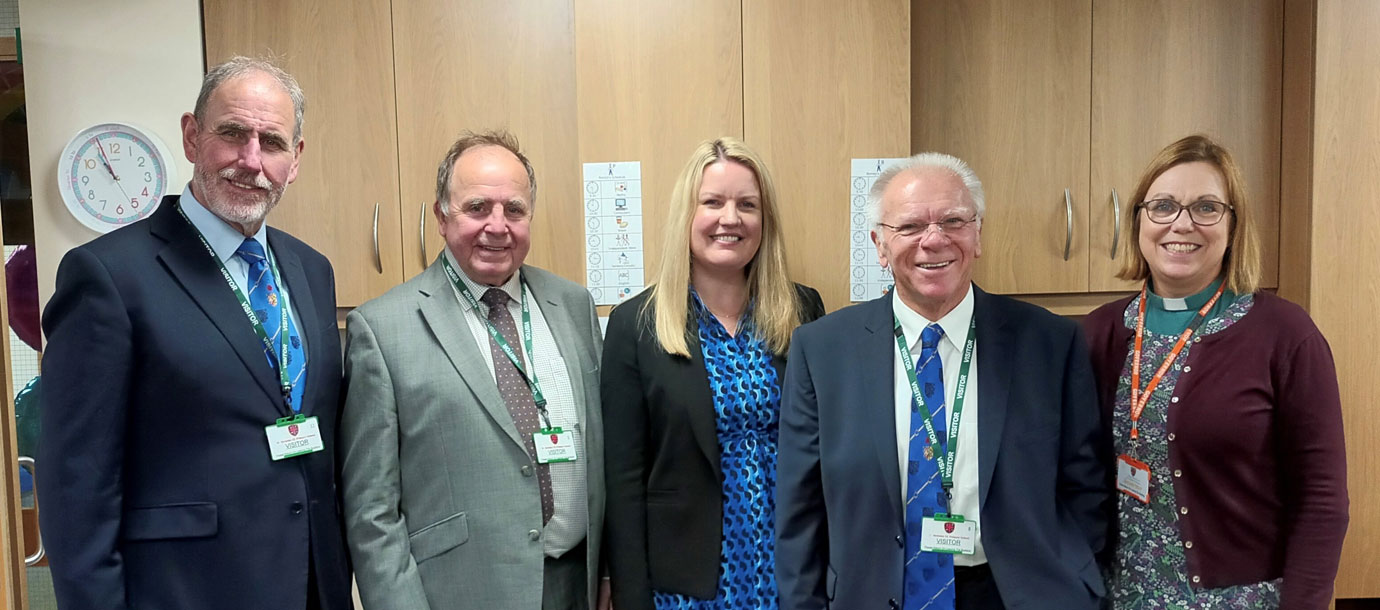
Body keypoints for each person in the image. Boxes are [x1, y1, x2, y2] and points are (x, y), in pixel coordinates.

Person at [37, 57, 351, 610]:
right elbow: (76, 489)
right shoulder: (108, 275)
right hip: (186, 590)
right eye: (232, 134)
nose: (250, 160)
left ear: (295, 159)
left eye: (272, 142)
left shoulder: (311, 269)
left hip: (311, 584)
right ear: (191, 136)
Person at [775, 152, 1108, 610]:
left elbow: (1086, 485)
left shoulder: (1050, 343)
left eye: (953, 220)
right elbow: (799, 510)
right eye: (910, 226)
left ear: (977, 235)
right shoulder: (822, 351)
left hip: (1016, 594)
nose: (934, 240)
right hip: (875, 595)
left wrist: (1077, 581)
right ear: (879, 245)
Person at [340, 131, 607, 610]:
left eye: (515, 210)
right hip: (462, 592)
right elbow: (371, 511)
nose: (498, 226)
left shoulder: (573, 305)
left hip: (576, 584)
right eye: (478, 207)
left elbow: (604, 456)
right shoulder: (382, 329)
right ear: (442, 217)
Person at [1082, 134, 1348, 610]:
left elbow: (1322, 501)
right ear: (1138, 219)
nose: (1181, 224)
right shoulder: (1099, 333)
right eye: (1162, 205)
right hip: (1119, 598)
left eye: (1206, 208)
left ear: (1233, 225)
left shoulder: (1285, 335)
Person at [602, 137, 825, 610]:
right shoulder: (635, 324)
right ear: (687, 215)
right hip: (684, 581)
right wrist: (630, 597)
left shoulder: (803, 309)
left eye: (747, 205)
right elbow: (622, 481)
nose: (731, 218)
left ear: (765, 221)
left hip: (790, 568)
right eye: (712, 202)